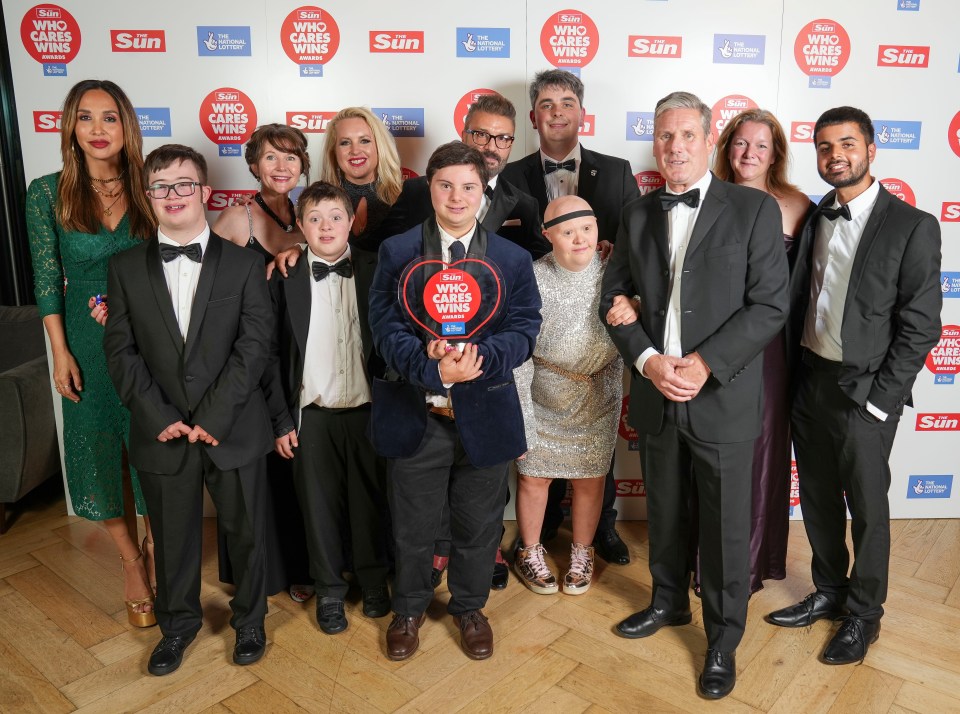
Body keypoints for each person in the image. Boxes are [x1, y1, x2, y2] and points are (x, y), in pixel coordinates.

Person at [600, 91, 789, 699]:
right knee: (667, 511)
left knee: (727, 529)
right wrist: (650, 361)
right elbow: (615, 298)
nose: (675, 147)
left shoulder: (753, 210)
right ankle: (666, 603)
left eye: (687, 135)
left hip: (722, 397)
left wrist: (705, 364)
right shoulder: (636, 211)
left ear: (710, 140)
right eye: (664, 136)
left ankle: (723, 639)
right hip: (657, 394)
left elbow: (770, 306)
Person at [766, 106, 942, 665]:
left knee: (866, 509)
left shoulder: (913, 225)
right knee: (816, 499)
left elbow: (921, 326)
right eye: (824, 147)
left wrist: (879, 402)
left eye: (846, 144)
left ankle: (865, 616)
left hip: (866, 391)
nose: (834, 156)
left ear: (870, 150)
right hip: (811, 380)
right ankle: (830, 591)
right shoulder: (819, 215)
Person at [367, 141, 541, 661]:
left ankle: (469, 606)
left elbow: (526, 327)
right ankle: (410, 608)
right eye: (446, 185)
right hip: (417, 415)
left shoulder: (510, 257)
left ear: (483, 193)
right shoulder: (398, 252)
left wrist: (480, 358)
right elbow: (384, 326)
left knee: (479, 523)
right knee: (414, 526)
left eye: (469, 187)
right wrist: (431, 365)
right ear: (431, 188)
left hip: (484, 414)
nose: (457, 196)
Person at [104, 144, 273, 676]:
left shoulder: (246, 265)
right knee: (171, 536)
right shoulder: (125, 268)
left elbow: (255, 346)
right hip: (162, 430)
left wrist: (214, 416)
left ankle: (250, 619)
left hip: (233, 428)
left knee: (247, 532)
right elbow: (120, 350)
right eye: (161, 187)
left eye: (183, 184)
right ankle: (177, 626)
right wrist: (158, 416)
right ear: (149, 197)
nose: (172, 195)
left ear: (204, 192)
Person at [26, 79, 158, 629]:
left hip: (148, 335)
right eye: (87, 118)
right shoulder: (46, 192)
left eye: (111, 117)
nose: (99, 130)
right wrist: (60, 350)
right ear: (70, 128)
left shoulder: (153, 185)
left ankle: (159, 548)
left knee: (154, 442)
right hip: (82, 336)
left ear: (127, 126)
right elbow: (46, 279)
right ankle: (130, 560)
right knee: (96, 446)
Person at [502, 69, 640, 564]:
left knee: (593, 465)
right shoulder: (511, 176)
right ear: (534, 115)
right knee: (536, 469)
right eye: (546, 103)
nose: (557, 111)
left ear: (582, 111)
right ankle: (536, 540)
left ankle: (599, 533)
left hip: (595, 324)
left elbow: (639, 240)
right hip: (540, 332)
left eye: (567, 101)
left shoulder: (618, 170)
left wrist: (615, 253)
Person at [263, 181, 391, 635]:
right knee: (316, 508)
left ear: (352, 221)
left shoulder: (380, 270)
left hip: (369, 410)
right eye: (314, 218)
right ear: (300, 226)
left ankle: (375, 581)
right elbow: (270, 356)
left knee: (370, 503)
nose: (326, 226)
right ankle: (330, 590)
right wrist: (280, 419)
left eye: (335, 216)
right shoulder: (282, 277)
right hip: (309, 415)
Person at [707, 109, 815, 593]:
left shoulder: (799, 205)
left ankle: (752, 563)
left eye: (761, 146)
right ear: (727, 146)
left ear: (776, 154)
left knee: (764, 447)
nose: (749, 154)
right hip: (709, 344)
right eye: (740, 143)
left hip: (771, 348)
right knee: (711, 452)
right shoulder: (705, 196)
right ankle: (706, 561)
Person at [212, 123, 314, 604]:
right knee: (266, 463)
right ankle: (268, 572)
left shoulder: (309, 218)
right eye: (271, 158)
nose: (281, 167)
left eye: (290, 158)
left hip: (303, 358)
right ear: (253, 165)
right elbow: (209, 290)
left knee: (300, 464)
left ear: (303, 166)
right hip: (254, 357)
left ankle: (304, 566)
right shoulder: (237, 219)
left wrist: (300, 246)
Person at [513, 195, 633, 597]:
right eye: (567, 231)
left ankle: (583, 551)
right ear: (548, 236)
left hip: (598, 391)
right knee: (534, 476)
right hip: (543, 393)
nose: (579, 239)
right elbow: (518, 352)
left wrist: (633, 302)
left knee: (590, 479)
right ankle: (530, 551)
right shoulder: (530, 277)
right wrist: (524, 414)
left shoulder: (615, 271)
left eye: (587, 228)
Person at [375, 93, 547, 258]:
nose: (492, 147)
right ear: (465, 136)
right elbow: (381, 250)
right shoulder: (416, 191)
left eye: (503, 138)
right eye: (481, 135)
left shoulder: (525, 206)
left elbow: (539, 266)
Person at [319, 107, 403, 249]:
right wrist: (298, 248)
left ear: (379, 146)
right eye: (345, 142)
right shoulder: (317, 202)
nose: (355, 151)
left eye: (364, 141)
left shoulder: (405, 198)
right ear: (334, 151)